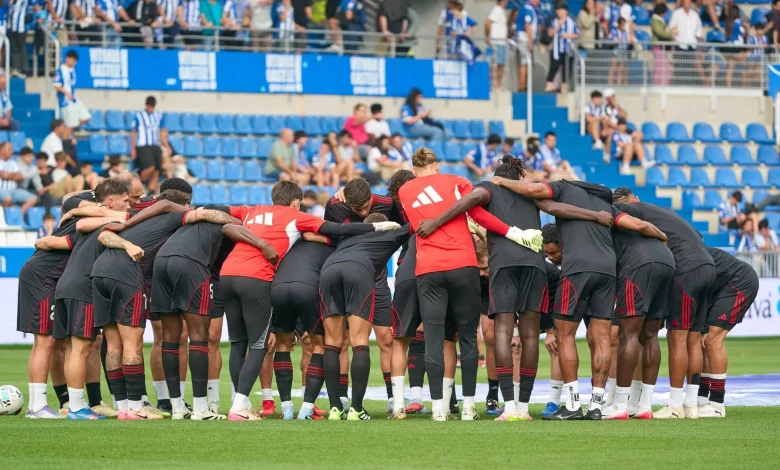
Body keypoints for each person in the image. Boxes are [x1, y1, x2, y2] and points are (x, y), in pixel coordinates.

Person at [218, 181, 399, 420]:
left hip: (239, 277)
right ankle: (307, 407)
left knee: (247, 344)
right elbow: (338, 231)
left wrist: (191, 214)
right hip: (271, 281)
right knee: (315, 345)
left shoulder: (253, 210)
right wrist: (377, 228)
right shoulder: (298, 217)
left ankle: (280, 407)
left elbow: (219, 212)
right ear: (296, 202)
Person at [396, 147, 542, 421]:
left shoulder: (405, 191)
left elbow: (414, 224)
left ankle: (439, 409)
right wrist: (512, 232)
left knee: (434, 339)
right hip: (463, 265)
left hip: (428, 268)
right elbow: (478, 215)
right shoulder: (457, 181)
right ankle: (469, 408)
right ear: (437, 166)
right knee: (467, 338)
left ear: (414, 170)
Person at [91, 191, 233, 420]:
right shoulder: (172, 218)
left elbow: (103, 236)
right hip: (127, 273)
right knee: (132, 342)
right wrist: (239, 220)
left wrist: (125, 242)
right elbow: (206, 214)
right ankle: (138, 407)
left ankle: (124, 407)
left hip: (99, 272)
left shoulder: (132, 222)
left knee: (114, 344)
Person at [613, 186, 717, 419]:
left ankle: (675, 405)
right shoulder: (663, 211)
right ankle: (691, 405)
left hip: (686, 268)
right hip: (708, 265)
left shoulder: (629, 209)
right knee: (693, 338)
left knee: (676, 337)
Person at [151, 204, 253, 420]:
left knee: (170, 338)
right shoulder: (230, 225)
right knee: (199, 338)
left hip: (161, 262)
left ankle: (177, 407)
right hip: (190, 264)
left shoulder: (191, 223)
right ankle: (200, 409)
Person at [52, 179, 134, 420]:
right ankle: (77, 408)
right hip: (84, 288)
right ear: (110, 202)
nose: (129, 205)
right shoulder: (111, 223)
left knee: (72, 348)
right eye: (126, 200)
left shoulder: (91, 224)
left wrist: (77, 211)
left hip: (65, 285)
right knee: (80, 348)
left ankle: (75, 404)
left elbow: (82, 220)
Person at [325, 178, 406, 414]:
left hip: (378, 278)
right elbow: (329, 237)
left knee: (386, 339)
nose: (363, 212)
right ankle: (341, 398)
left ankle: (393, 397)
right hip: (350, 276)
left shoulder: (387, 204)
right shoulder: (334, 206)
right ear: (347, 201)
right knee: (342, 342)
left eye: (366, 206)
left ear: (372, 197)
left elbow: (407, 228)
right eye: (356, 209)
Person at [697, 248, 759, 418]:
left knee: (712, 340)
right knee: (701, 342)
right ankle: (701, 399)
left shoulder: (685, 252)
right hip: (714, 289)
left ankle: (717, 404)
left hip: (739, 281)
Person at [53, 50, 91, 130]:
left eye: (75, 61)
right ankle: (66, 136)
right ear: (67, 58)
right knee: (71, 124)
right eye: (72, 60)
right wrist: (66, 92)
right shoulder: (61, 70)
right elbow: (56, 85)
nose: (74, 63)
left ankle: (68, 132)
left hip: (73, 99)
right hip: (65, 101)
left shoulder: (72, 70)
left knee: (86, 117)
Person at [669, 0, 705, 86]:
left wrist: (697, 36)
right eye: (685, 2)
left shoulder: (694, 14)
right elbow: (671, 27)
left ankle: (688, 85)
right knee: (680, 67)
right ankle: (679, 85)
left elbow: (699, 28)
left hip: (691, 44)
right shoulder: (677, 14)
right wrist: (675, 36)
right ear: (682, 3)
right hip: (680, 44)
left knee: (689, 66)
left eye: (689, 3)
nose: (687, 4)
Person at [545, 5, 578, 93]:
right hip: (556, 48)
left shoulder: (572, 22)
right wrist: (558, 26)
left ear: (566, 11)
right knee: (554, 66)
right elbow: (550, 33)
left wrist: (568, 35)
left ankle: (564, 86)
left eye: (561, 10)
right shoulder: (554, 22)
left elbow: (577, 34)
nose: (559, 12)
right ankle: (549, 84)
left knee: (566, 68)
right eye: (558, 10)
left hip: (568, 49)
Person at [0, 141, 38, 215]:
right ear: (1, 150)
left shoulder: (13, 162)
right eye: (10, 149)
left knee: (33, 199)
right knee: (8, 199)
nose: (12, 151)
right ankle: (4, 217)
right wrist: (13, 175)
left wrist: (8, 175)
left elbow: (20, 177)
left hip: (14, 190)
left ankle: (18, 216)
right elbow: (3, 175)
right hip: (1, 189)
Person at [515, 0, 539, 92]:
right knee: (524, 63)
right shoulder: (528, 9)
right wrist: (531, 42)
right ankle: (522, 87)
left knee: (526, 63)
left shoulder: (529, 8)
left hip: (525, 40)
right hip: (524, 40)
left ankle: (524, 86)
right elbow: (527, 26)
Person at [485, 0, 509, 89]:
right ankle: (492, 85)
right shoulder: (497, 10)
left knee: (501, 64)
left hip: (502, 42)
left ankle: (498, 85)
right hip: (496, 42)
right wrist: (488, 36)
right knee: (495, 64)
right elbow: (487, 22)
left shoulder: (502, 11)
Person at [651, 3, 675, 86]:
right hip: (658, 47)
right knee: (659, 68)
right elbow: (660, 32)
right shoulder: (655, 21)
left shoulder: (660, 21)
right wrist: (671, 33)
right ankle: (657, 85)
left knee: (666, 67)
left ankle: (665, 84)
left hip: (664, 47)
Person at [723, 4, 746, 88]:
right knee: (743, 67)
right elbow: (743, 32)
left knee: (730, 69)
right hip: (737, 48)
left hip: (729, 48)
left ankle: (728, 86)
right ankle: (744, 86)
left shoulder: (728, 22)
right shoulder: (738, 22)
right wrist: (746, 28)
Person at [608, 17, 633, 86]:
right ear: (619, 24)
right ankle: (610, 84)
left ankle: (620, 84)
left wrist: (629, 42)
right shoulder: (614, 31)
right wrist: (616, 41)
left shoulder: (626, 32)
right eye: (622, 24)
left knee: (621, 69)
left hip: (623, 51)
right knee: (613, 68)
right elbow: (609, 40)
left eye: (624, 24)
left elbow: (628, 41)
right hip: (616, 51)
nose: (623, 26)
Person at [8, 0, 29, 78]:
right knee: (14, 49)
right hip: (12, 27)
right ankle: (16, 68)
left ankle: (24, 69)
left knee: (21, 47)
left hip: (21, 28)